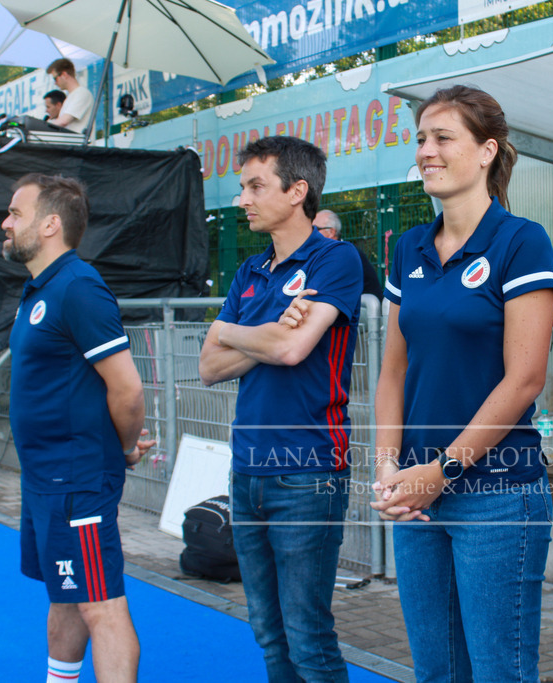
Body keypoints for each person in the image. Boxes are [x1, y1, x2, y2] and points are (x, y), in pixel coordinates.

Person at [370, 85, 553, 682]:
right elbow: (393, 371)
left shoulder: (520, 241)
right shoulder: (409, 247)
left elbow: (525, 377)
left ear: (486, 152)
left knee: (499, 673)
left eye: (442, 137)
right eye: (421, 138)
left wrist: (442, 471)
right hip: (418, 495)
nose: (425, 150)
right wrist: (387, 467)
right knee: (436, 672)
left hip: (497, 497)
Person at [198, 136, 362, 682]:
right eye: (242, 186)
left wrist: (231, 332)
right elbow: (208, 367)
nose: (242, 197)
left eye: (254, 186)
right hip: (246, 470)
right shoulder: (250, 270)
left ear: (298, 192)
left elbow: (292, 351)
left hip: (307, 472)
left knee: (308, 639)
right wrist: (260, 333)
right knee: (268, 633)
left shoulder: (335, 259)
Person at [3, 173, 154, 683]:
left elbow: (127, 388)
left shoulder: (78, 287)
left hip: (77, 484)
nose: (6, 223)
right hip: (46, 481)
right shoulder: (39, 290)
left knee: (101, 607)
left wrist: (126, 447)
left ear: (50, 224)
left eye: (16, 214)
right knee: (65, 596)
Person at [313, 209, 383, 301]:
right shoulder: (330, 252)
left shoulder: (345, 253)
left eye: (315, 228)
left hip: (365, 309)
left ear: (331, 232)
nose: (311, 233)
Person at [46, 58, 94, 134]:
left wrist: (43, 128)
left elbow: (64, 121)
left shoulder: (82, 93)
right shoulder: (71, 97)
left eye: (55, 78)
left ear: (64, 75)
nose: (55, 83)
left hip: (78, 144)